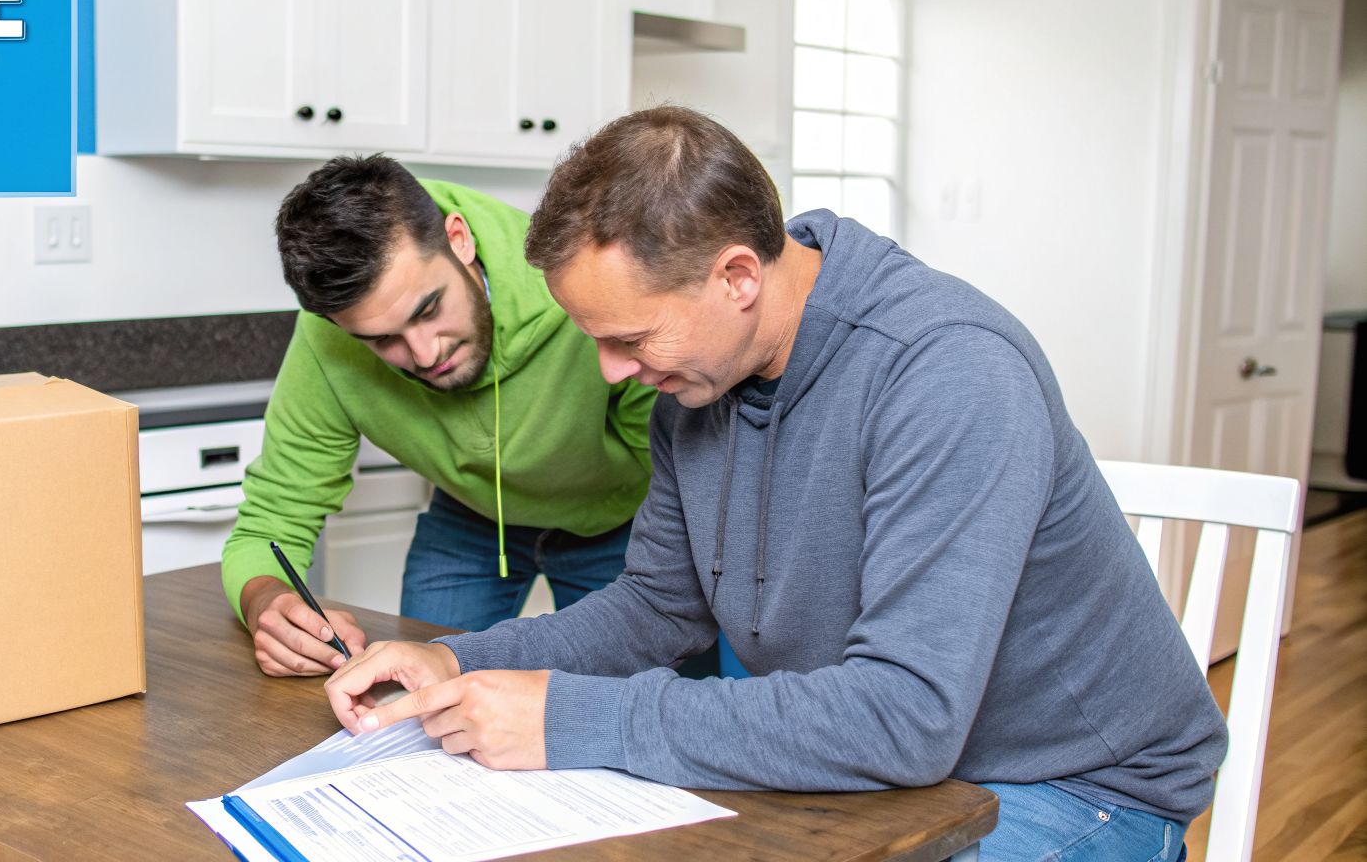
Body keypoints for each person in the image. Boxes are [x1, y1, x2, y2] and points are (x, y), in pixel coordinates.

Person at [323, 107, 1226, 860]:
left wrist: (574, 717)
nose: (608, 373)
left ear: (738, 277)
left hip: (1070, 784)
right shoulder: (696, 384)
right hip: (887, 769)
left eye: (629, 339)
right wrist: (462, 659)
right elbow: (656, 610)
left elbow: (904, 716)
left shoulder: (949, 372)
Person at [221, 154, 656, 678]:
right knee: (413, 702)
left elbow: (681, 474)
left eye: (428, 310)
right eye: (381, 340)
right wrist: (267, 603)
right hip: (472, 517)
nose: (425, 354)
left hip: (625, 521)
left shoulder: (575, 284)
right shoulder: (328, 341)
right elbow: (271, 522)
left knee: (633, 698)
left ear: (459, 238)